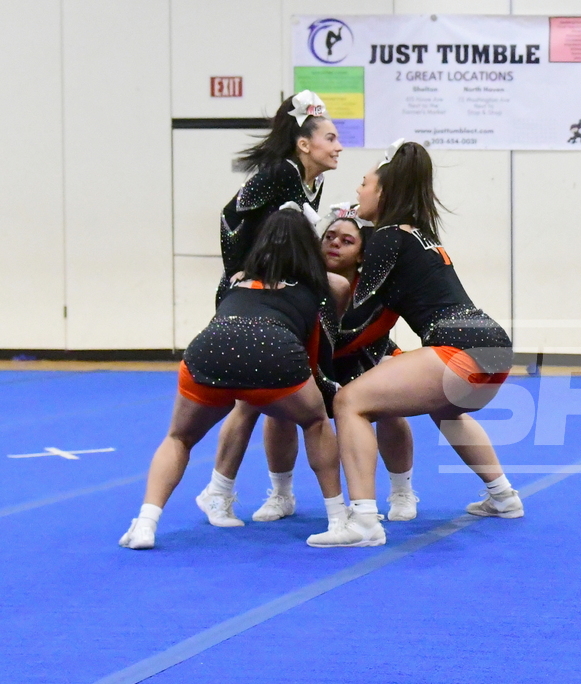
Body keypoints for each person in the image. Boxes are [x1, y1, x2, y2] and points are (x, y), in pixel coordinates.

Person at [306, 140, 521, 549]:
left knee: (350, 403)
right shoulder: (419, 234)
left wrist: (316, 347)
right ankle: (503, 497)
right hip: (494, 346)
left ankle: (364, 521)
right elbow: (384, 318)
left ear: (384, 191)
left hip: (459, 349)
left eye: (364, 183)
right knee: (446, 411)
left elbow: (363, 320)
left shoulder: (387, 238)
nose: (358, 191)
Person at [121, 210, 350, 550]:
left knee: (179, 438)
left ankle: (145, 524)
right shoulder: (328, 286)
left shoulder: (235, 278)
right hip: (274, 351)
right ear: (310, 246)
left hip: (210, 349)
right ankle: (338, 518)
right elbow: (321, 342)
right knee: (315, 423)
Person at [203, 205, 419, 526]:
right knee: (271, 405)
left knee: (388, 403)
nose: (335, 243)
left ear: (363, 254)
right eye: (329, 236)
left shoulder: (372, 288)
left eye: (347, 241)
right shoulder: (298, 279)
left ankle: (401, 491)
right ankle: (281, 493)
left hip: (361, 356)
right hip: (313, 359)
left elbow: (374, 330)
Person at [194, 90, 343, 528]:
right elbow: (230, 217)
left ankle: (260, 492)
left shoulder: (313, 181)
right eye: (331, 138)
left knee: (271, 395)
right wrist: (238, 271)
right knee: (250, 398)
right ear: (304, 144)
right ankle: (220, 491)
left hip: (283, 293)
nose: (339, 146)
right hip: (252, 291)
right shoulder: (280, 172)